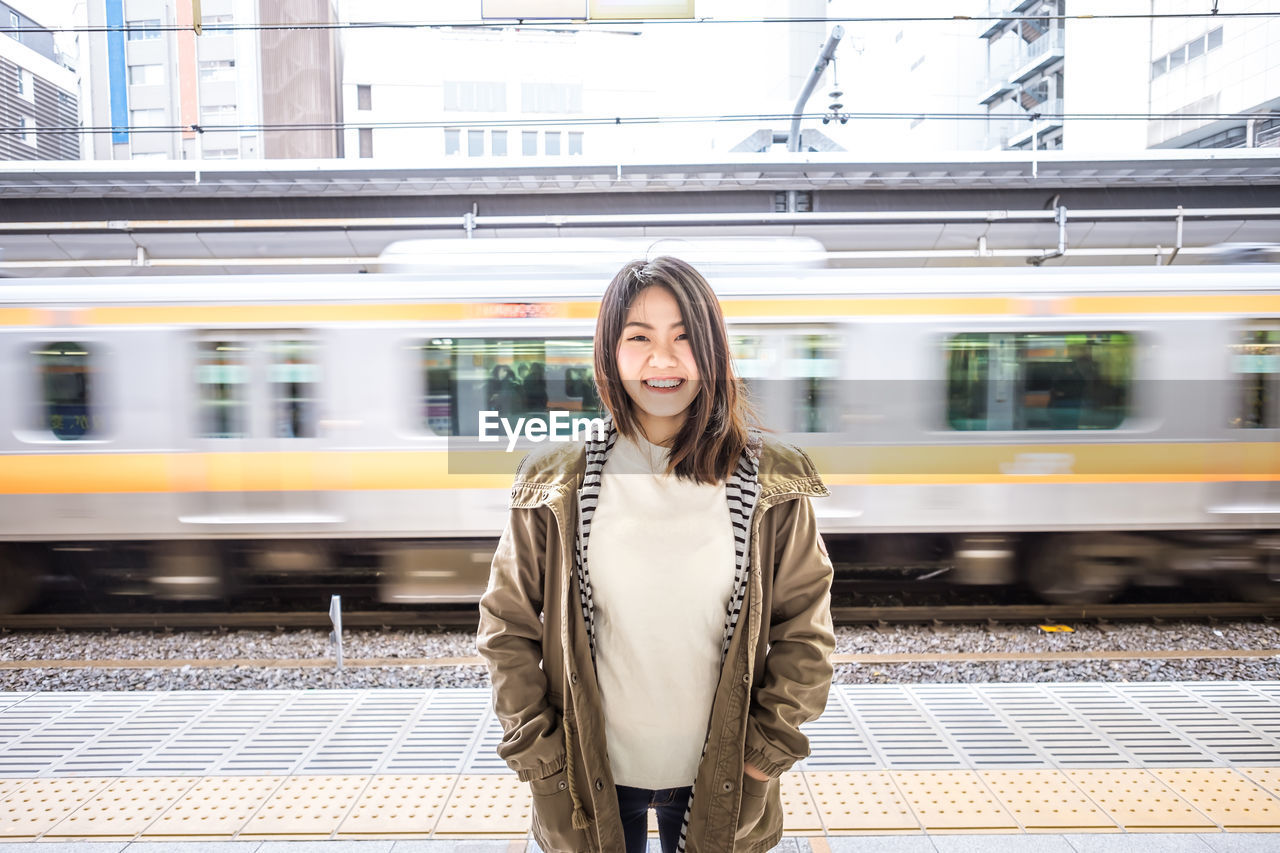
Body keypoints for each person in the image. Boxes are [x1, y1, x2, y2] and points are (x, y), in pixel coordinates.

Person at [477, 256, 835, 853]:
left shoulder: (772, 482)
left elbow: (806, 633)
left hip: (722, 777)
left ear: (714, 352)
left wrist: (761, 760)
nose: (662, 360)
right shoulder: (555, 482)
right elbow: (505, 627)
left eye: (684, 338)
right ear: (610, 355)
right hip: (588, 779)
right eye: (639, 338)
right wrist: (541, 761)